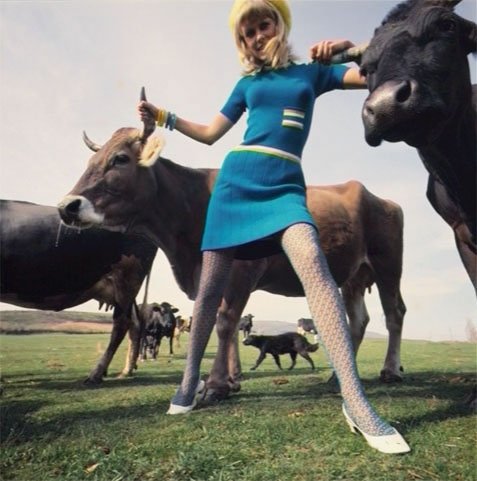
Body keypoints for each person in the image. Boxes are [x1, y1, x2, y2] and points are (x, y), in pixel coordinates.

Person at [138, 0, 410, 454]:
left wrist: (349, 49)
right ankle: (187, 382)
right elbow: (210, 133)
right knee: (209, 293)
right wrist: (163, 116)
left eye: (263, 25)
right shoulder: (247, 84)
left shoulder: (312, 72)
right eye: (246, 33)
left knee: (318, 272)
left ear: (279, 25)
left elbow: (375, 75)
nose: (256, 36)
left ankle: (355, 400)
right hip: (236, 184)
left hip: (284, 187)